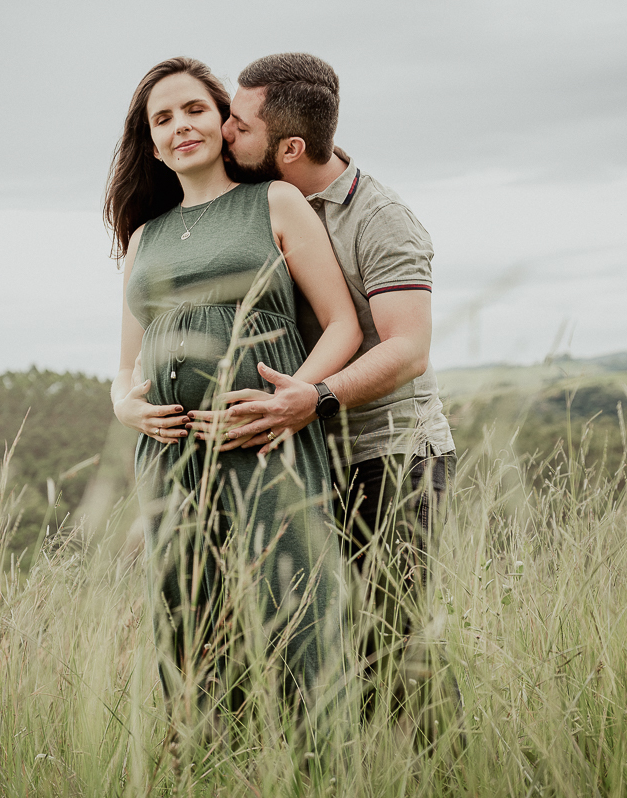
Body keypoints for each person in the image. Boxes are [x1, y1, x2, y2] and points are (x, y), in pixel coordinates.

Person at [189, 52, 458, 735]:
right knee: (305, 639)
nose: (224, 132)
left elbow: (407, 346)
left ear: (291, 147)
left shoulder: (380, 219)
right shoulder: (253, 206)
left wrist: (317, 397)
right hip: (305, 455)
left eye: (239, 125)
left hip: (388, 455)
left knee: (390, 646)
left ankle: (441, 776)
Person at [104, 57, 361, 738]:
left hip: (265, 441)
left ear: (223, 122)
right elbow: (123, 368)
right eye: (162, 119)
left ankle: (320, 768)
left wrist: (296, 397)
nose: (180, 126)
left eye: (193, 110)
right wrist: (127, 407)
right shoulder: (143, 237)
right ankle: (212, 769)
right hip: (167, 457)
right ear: (150, 142)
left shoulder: (273, 201)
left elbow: (343, 324)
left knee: (295, 608)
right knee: (189, 625)